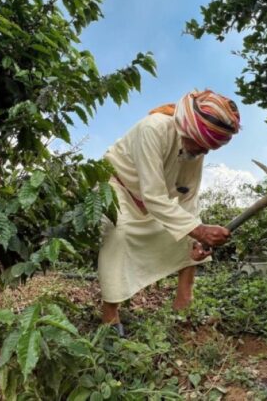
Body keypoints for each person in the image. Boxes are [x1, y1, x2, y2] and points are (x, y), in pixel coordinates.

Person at [97, 89, 241, 336]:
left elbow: (187, 195)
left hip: (153, 201)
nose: (203, 152)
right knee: (119, 235)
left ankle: (184, 301)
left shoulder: (195, 148)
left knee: (188, 235)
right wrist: (199, 230)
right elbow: (153, 195)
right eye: (201, 145)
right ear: (188, 128)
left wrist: (196, 236)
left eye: (208, 148)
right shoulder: (153, 129)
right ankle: (109, 315)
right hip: (118, 189)